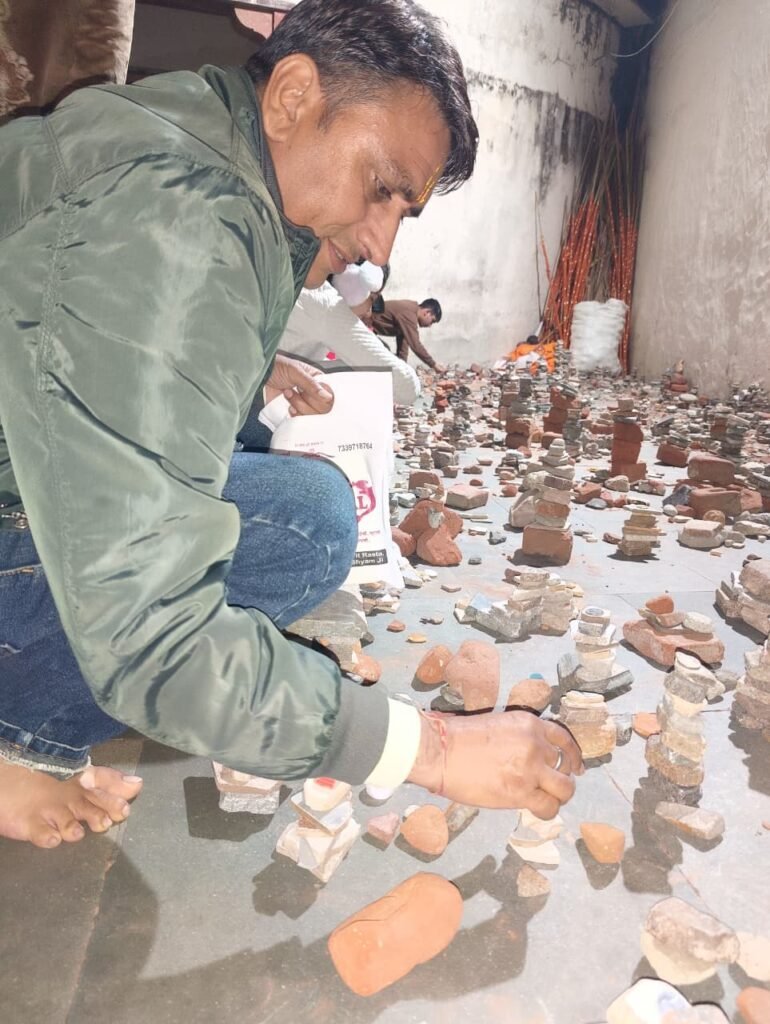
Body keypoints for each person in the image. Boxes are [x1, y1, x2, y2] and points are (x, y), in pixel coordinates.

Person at [0, 0, 582, 850]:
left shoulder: (211, 153)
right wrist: (430, 747)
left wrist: (249, 371)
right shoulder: (176, 213)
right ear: (293, 96)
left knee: (306, 510)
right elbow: (150, 632)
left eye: (404, 210)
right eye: (380, 187)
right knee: (290, 536)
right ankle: (18, 731)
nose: (381, 244)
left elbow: (81, 346)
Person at [278, 262, 421, 406]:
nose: (369, 312)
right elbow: (406, 386)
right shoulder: (328, 306)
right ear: (354, 286)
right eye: (372, 299)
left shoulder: (298, 280)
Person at [372, 296, 446, 372]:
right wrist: (433, 365)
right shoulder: (409, 314)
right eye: (432, 321)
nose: (430, 325)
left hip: (369, 329)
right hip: (366, 325)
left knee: (386, 354)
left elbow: (403, 345)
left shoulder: (410, 313)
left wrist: (402, 368)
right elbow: (416, 345)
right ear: (427, 313)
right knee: (383, 353)